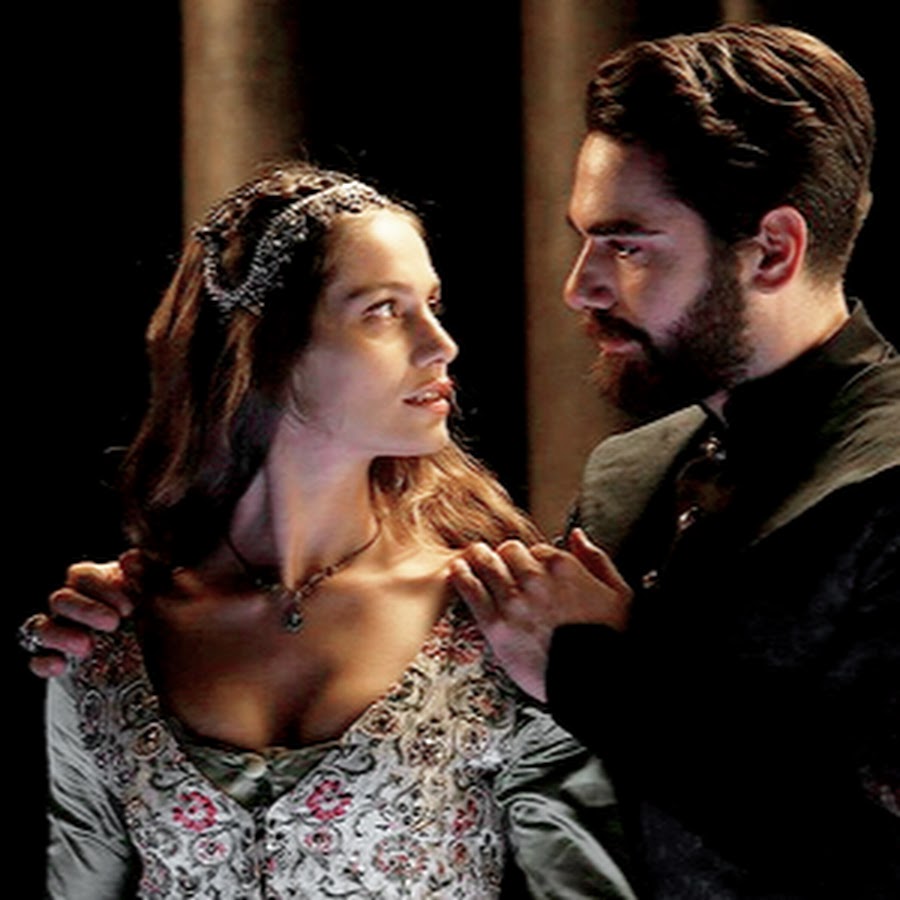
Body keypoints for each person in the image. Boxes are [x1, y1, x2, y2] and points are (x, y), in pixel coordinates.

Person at [30, 164, 635, 899]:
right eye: (384, 310)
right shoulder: (111, 637)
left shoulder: (497, 620)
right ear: (267, 348)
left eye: (432, 305)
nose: (440, 344)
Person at [449, 23, 899, 899]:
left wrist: (597, 678)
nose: (579, 286)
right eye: (585, 239)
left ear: (774, 249)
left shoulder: (889, 483)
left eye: (627, 244)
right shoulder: (627, 476)